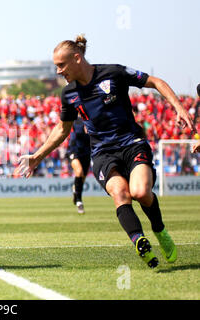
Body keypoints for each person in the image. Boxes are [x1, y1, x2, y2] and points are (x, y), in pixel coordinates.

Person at [17, 35, 195, 269]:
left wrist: (179, 108)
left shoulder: (114, 73)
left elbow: (155, 81)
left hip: (132, 143)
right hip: (102, 154)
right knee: (121, 194)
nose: (58, 71)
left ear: (77, 58)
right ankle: (139, 241)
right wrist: (36, 157)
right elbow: (62, 129)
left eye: (61, 65)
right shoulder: (68, 94)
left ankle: (159, 230)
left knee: (141, 192)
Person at [67, 117, 91, 214]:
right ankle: (79, 201)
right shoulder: (74, 120)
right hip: (74, 150)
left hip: (87, 152)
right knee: (79, 171)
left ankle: (75, 191)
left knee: (82, 178)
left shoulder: (92, 119)